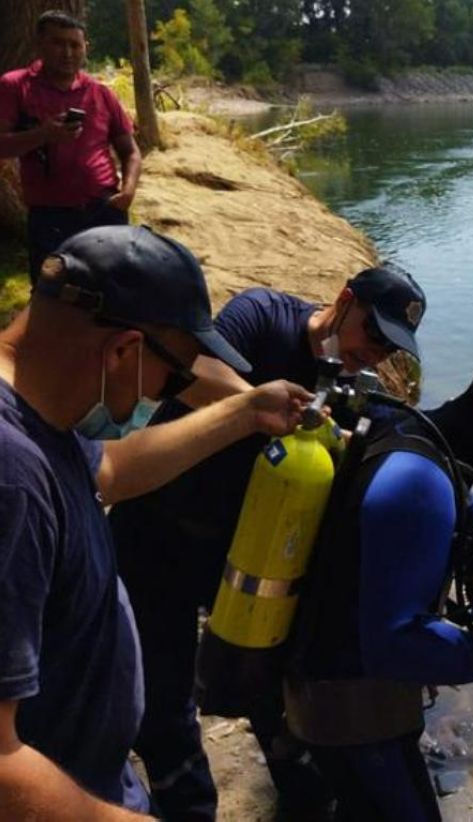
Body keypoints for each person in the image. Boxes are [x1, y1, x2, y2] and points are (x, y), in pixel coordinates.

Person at [0, 225, 310, 819]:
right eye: (177, 376)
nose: (172, 391)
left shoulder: (42, 409)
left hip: (90, 778)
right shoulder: (11, 478)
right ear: (122, 351)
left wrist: (246, 411)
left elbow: (109, 470)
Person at [107, 264, 428, 820]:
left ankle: (304, 797)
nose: (374, 353)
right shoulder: (262, 316)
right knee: (164, 699)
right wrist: (260, 406)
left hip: (241, 549)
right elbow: (192, 368)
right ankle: (190, 807)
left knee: (269, 685)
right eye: (372, 333)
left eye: (388, 348)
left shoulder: (352, 389)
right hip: (154, 529)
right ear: (344, 300)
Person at [287, 352, 473, 821]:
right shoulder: (418, 485)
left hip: (320, 681)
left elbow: (460, 501)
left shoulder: (409, 428)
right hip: (346, 708)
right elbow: (395, 645)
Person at [0, 11, 141, 283]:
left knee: (113, 293)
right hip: (50, 216)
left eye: (75, 45)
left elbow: (130, 151)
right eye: (58, 43)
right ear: (39, 44)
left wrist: (128, 190)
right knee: (50, 294)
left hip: (104, 209)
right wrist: (43, 135)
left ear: (86, 48)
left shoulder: (100, 93)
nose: (67, 52)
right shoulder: (16, 86)